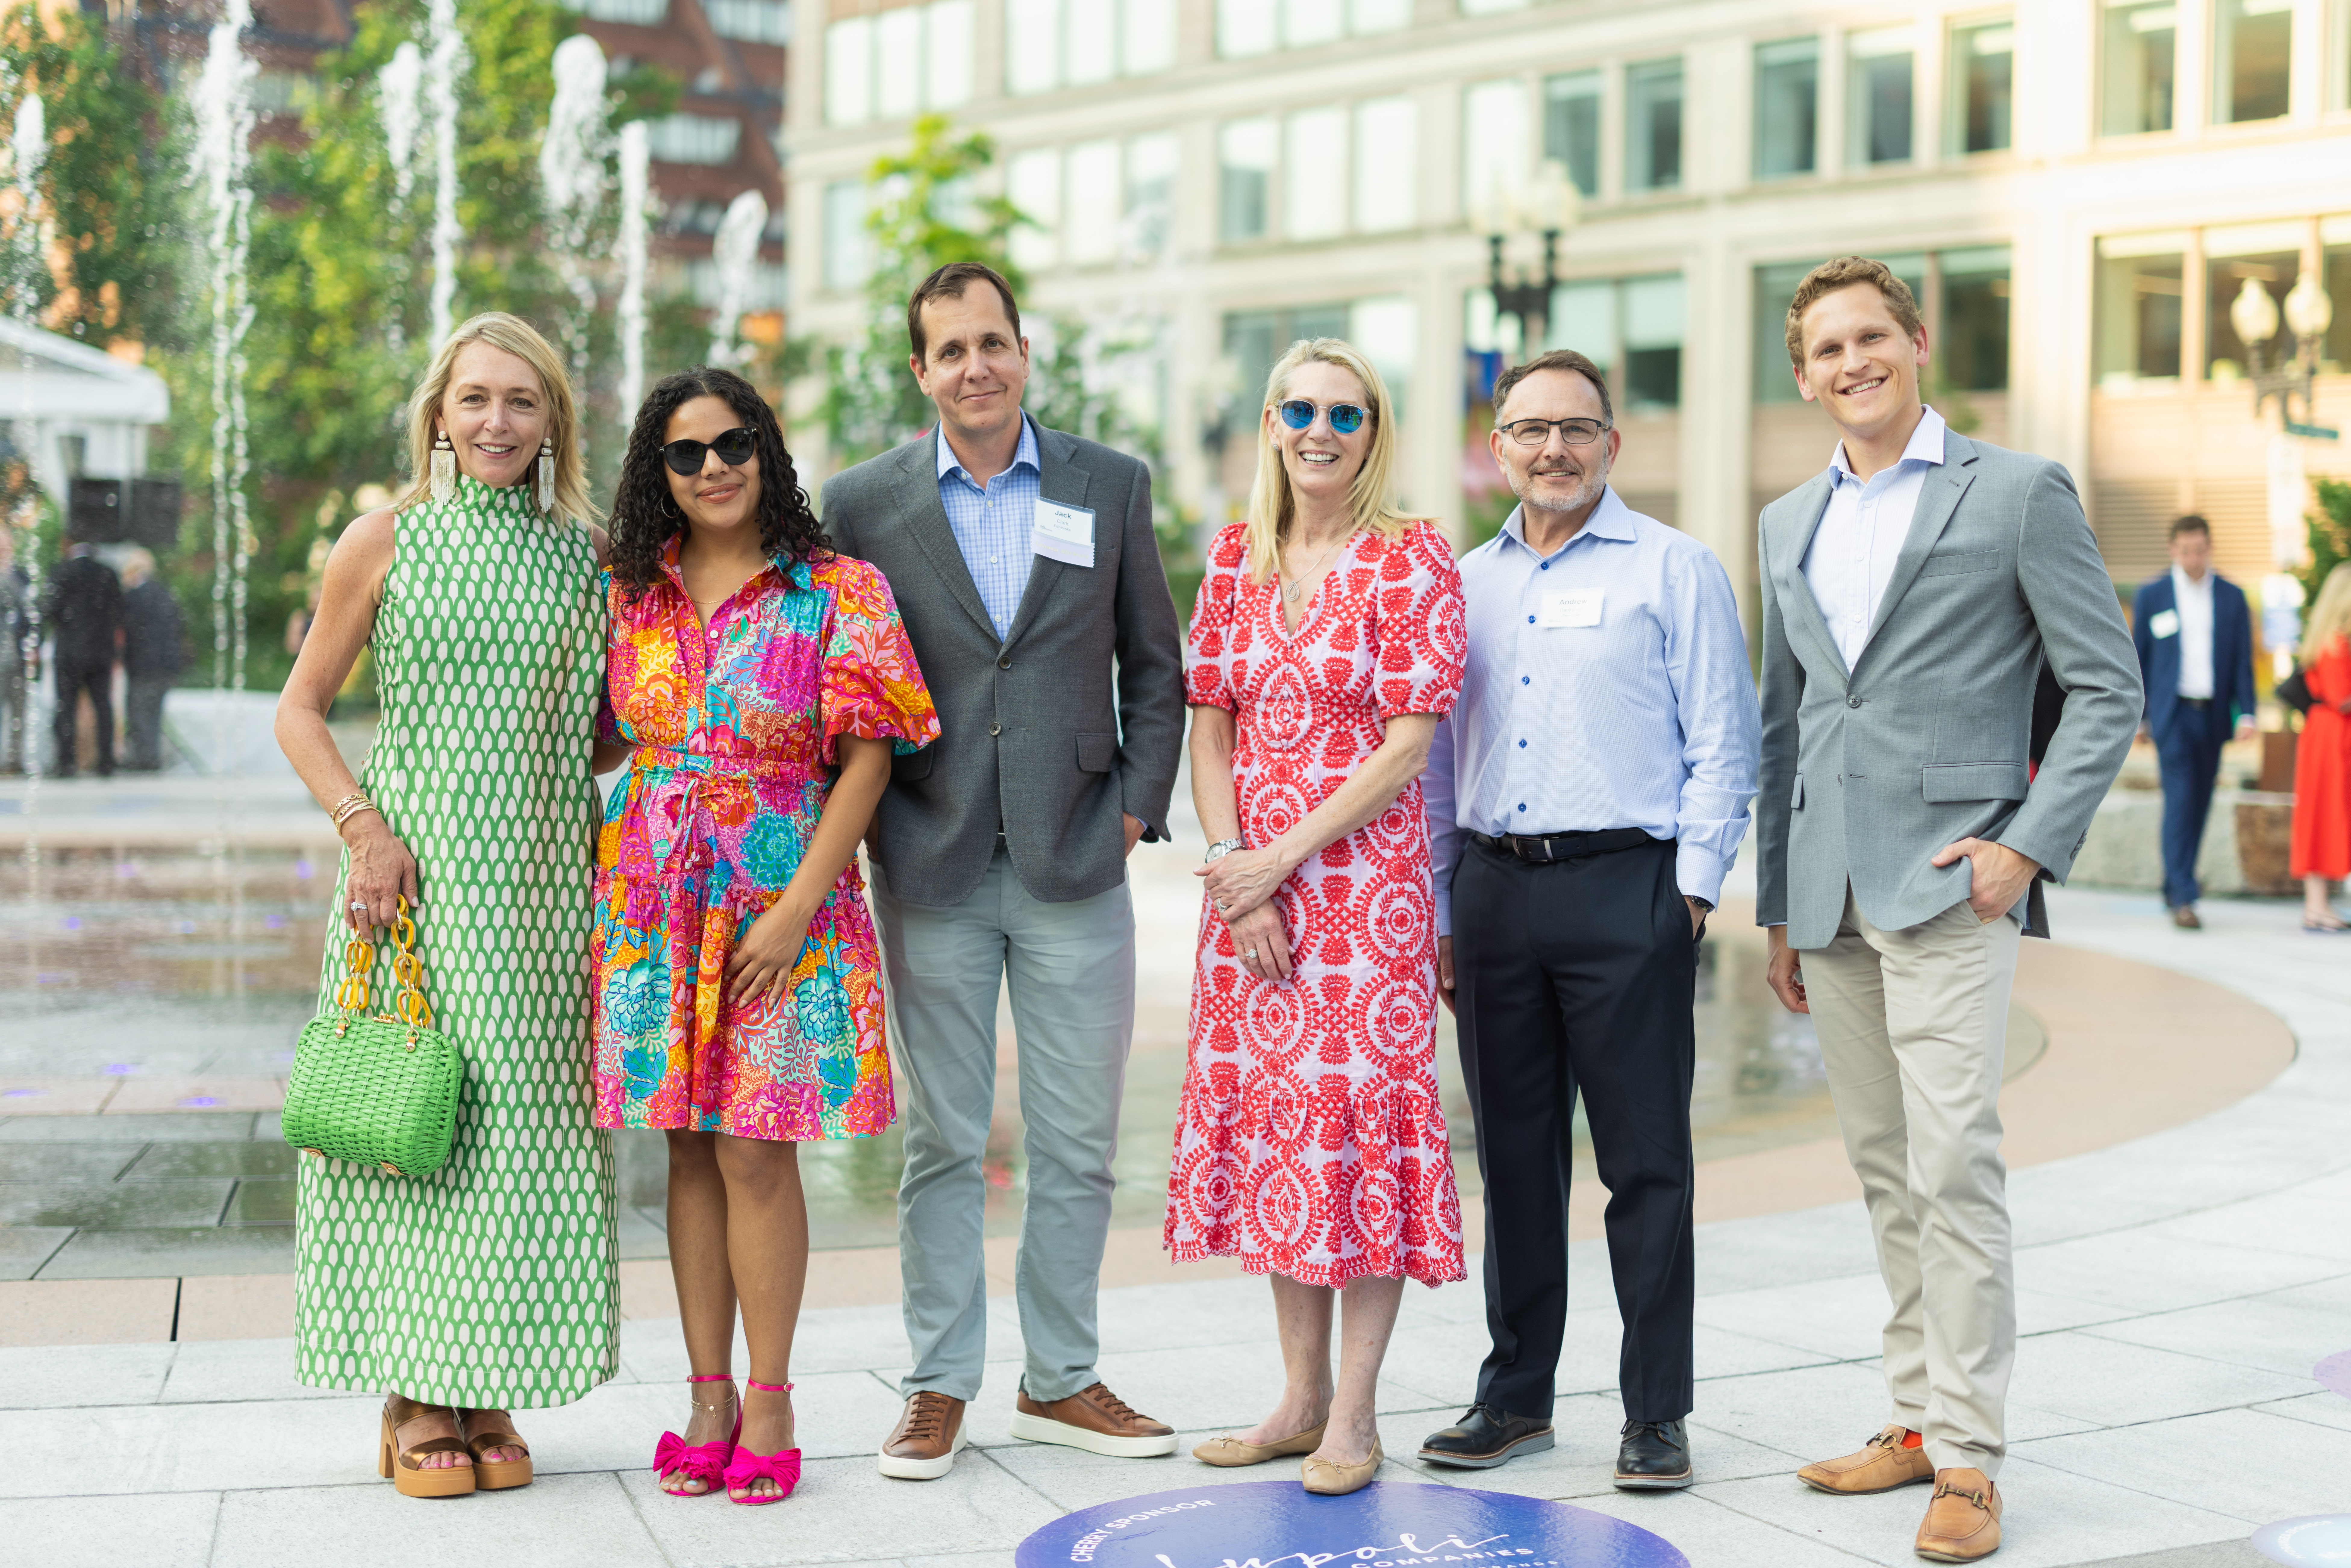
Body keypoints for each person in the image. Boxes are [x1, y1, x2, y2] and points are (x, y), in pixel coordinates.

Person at [1754, 258, 2140, 1562]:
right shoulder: (1783, 519)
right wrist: (1773, 901)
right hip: (1825, 894)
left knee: (1953, 1162)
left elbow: (2104, 686)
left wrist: (2025, 849)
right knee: (1880, 1168)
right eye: (1825, 347)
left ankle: (1969, 1454)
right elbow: (1786, 724)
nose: (1851, 361)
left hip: (1949, 883)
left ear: (1916, 343)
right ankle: (1914, 1417)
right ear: (1800, 373)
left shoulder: (2017, 492)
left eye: (1873, 335)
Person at [820, 263, 1187, 1480]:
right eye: (949, 350)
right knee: (940, 1139)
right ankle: (936, 1383)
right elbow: (843, 674)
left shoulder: (1108, 483)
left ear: (1023, 353)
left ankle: (1061, 1373)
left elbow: (1154, 661)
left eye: (994, 343)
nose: (975, 366)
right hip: (925, 852)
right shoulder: (861, 504)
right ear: (919, 371)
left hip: (1077, 852)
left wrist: (1136, 808)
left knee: (1079, 1141)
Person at [273, 311, 618, 1499]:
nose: (497, 421)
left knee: (515, 1132)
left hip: (538, 893)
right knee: (418, 1129)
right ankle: (415, 1389)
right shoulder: (385, 538)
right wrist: (361, 828)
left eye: (523, 402)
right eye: (475, 398)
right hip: (408, 884)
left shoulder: (588, 556)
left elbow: (611, 733)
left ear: (554, 424)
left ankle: (484, 1384)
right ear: (437, 413)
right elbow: (301, 709)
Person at [593, 366, 938, 1505]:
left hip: (784, 902)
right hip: (654, 903)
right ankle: (705, 1393)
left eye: (732, 443)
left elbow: (872, 756)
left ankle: (774, 1394)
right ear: (660, 472)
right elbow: (597, 737)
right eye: (685, 454)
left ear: (765, 449)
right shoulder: (628, 592)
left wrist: (796, 906)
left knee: (755, 1144)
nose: (712, 469)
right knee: (684, 1144)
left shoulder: (835, 587)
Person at [1416, 349, 1759, 1490]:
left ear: (1610, 443)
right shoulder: (1459, 584)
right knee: (1513, 1162)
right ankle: (1514, 1394)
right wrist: (1443, 905)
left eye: (1575, 428)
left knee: (1645, 1164)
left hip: (1629, 889)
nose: (1552, 449)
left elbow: (1725, 739)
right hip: (1495, 893)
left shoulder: (1673, 569)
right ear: (1497, 447)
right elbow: (1431, 763)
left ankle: (1654, 1413)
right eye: (1528, 429)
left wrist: (1692, 893)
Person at [1172, 338, 1467, 1497]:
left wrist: (1280, 859)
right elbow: (1209, 722)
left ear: (1373, 430)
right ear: (1267, 421)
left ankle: (1354, 1411)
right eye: (1297, 407)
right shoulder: (1232, 557)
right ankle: (1293, 1401)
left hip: (1364, 901)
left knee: (1360, 1138)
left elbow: (1407, 743)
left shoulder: (1410, 558)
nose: (1319, 429)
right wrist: (1233, 865)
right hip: (1248, 900)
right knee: (1283, 1135)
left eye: (1345, 413)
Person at [2131, 515, 2256, 929]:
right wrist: (2141, 717)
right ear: (2173, 550)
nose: (2193, 557)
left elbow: (2242, 661)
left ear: (2209, 546)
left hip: (2214, 714)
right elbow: (2139, 659)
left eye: (2199, 549)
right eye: (2185, 550)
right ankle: (2184, 894)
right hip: (2173, 715)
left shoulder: (2232, 596)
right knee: (2181, 798)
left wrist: (2248, 712)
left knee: (2199, 802)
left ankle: (2175, 884)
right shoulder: (2153, 595)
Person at [2291, 562, 2351, 932]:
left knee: (2320, 815)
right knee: (2325, 815)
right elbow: (2343, 697)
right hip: (2334, 739)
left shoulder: (2323, 641)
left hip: (2325, 735)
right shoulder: (2337, 644)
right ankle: (2316, 907)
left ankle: (2317, 906)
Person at [46, 538, 120, 777]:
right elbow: (119, 611)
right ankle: (106, 762)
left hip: (70, 652)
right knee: (103, 706)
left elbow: (50, 609)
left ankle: (66, 762)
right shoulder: (108, 574)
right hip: (101, 653)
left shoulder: (61, 572)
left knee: (66, 706)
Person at [120, 547, 186, 772]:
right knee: (154, 712)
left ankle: (144, 759)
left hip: (143, 665)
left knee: (140, 712)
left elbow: (130, 631)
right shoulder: (165, 593)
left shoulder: (134, 597)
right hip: (165, 665)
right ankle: (151, 757)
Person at [0, 528, 26, 772]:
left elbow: (29, 611)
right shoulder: (10, 578)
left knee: (19, 710)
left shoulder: (20, 574)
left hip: (16, 654)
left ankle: (14, 759)